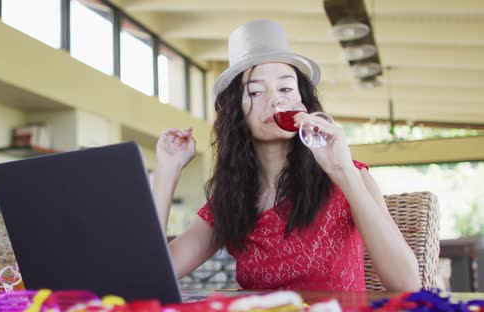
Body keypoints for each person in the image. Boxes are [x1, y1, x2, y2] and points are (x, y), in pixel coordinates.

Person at [152, 19, 420, 292]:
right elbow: (153, 274)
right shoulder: (229, 200)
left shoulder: (349, 175)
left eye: (286, 89)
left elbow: (407, 285)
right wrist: (168, 170)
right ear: (237, 114)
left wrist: (342, 172)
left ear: (303, 103)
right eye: (255, 91)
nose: (275, 100)